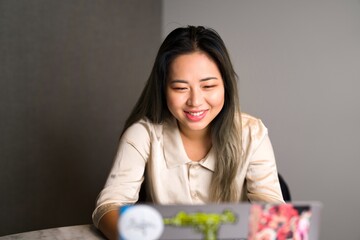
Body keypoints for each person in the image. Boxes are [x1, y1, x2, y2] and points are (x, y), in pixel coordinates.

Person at [92, 25, 284, 239]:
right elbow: (108, 207)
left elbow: (274, 213)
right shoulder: (142, 135)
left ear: (226, 87)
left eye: (208, 86)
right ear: (163, 89)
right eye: (181, 88)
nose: (195, 102)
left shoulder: (252, 133)